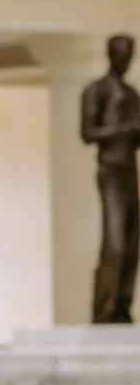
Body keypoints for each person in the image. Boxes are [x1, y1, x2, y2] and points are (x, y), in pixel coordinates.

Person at [81, 33, 140, 323]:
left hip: (130, 171)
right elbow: (88, 133)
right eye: (122, 53)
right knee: (114, 243)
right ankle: (103, 309)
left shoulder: (131, 94)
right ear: (110, 54)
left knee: (132, 243)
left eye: (131, 54)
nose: (127, 59)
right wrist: (126, 128)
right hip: (110, 172)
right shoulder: (96, 90)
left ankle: (122, 307)